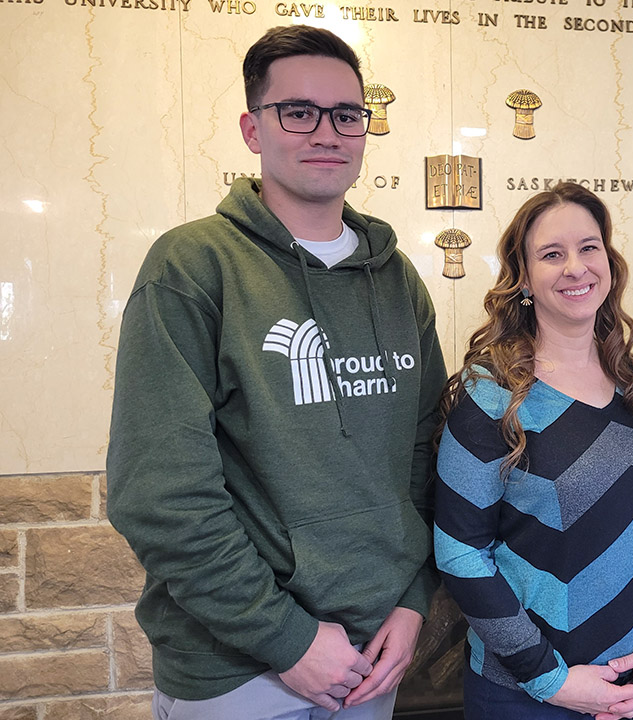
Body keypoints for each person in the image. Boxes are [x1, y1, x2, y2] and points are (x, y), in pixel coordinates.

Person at [107, 25, 446, 720]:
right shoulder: (191, 268)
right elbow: (161, 495)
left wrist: (412, 604)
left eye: (347, 114)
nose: (327, 132)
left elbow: (425, 455)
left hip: (369, 657)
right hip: (237, 670)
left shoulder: (398, 277)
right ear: (252, 129)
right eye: (298, 111)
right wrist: (286, 639)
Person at [434, 182, 633, 720]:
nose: (576, 267)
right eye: (552, 254)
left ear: (609, 260)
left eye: (589, 247)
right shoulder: (491, 392)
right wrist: (549, 679)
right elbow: (460, 552)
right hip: (527, 693)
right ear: (524, 277)